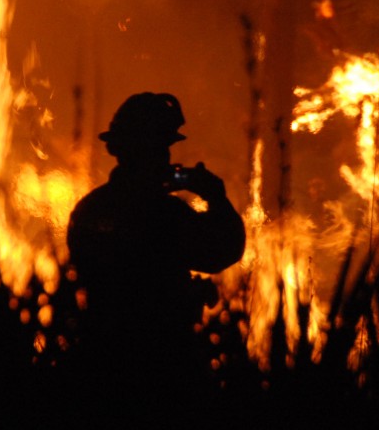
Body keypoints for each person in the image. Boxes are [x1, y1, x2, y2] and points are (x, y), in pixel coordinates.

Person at [65, 92, 245, 408]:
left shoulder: (89, 209)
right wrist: (215, 197)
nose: (166, 158)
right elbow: (222, 251)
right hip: (164, 361)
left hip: (100, 359)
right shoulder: (162, 212)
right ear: (146, 151)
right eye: (161, 147)